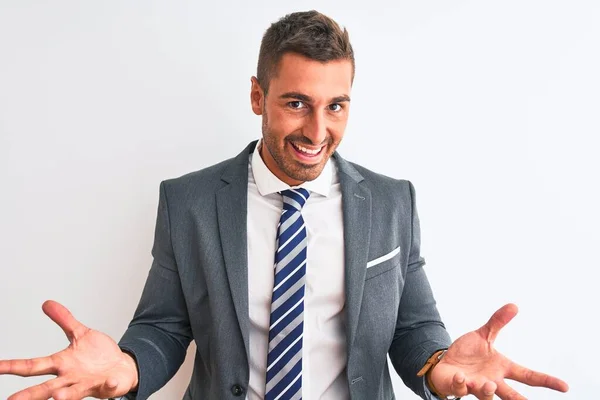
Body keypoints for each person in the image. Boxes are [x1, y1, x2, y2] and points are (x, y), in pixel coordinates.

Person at [0, 10, 568, 400]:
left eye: (336, 106)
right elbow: (165, 327)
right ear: (257, 96)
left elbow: (412, 327)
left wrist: (440, 369)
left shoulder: (393, 201)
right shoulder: (189, 202)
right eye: (297, 103)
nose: (317, 130)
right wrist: (127, 369)